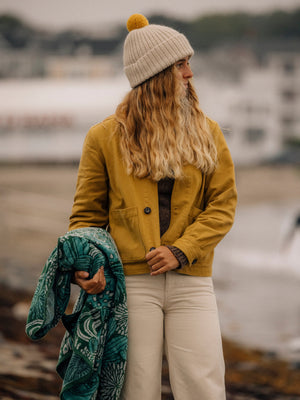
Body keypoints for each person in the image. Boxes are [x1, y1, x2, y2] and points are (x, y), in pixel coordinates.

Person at [69, 13, 237, 400]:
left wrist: (182, 250)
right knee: (135, 389)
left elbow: (223, 205)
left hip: (192, 280)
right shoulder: (103, 138)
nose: (190, 74)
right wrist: (85, 267)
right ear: (157, 73)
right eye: (181, 64)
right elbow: (86, 218)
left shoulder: (207, 132)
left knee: (204, 387)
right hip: (129, 284)